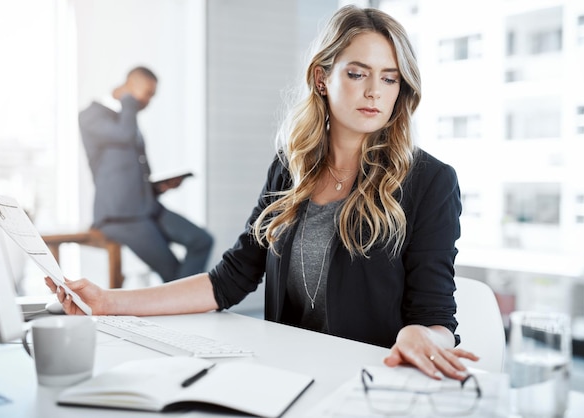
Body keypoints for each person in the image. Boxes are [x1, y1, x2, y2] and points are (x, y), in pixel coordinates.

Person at [50, 6, 479, 380]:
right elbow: (229, 280)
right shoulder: (289, 167)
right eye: (357, 73)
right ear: (322, 78)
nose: (374, 92)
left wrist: (419, 334)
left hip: (369, 385)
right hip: (285, 376)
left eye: (389, 78)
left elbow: (435, 318)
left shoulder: (431, 181)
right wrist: (108, 301)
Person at [78, 66, 213, 283]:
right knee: (173, 272)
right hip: (120, 216)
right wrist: (129, 100)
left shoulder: (126, 117)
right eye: (148, 94)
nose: (148, 101)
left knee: (202, 240)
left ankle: (182, 304)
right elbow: (124, 136)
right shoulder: (92, 116)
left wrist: (159, 187)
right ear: (131, 86)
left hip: (147, 207)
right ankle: (185, 306)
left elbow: (127, 173)